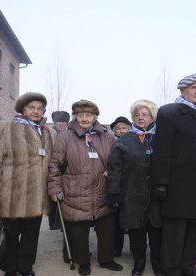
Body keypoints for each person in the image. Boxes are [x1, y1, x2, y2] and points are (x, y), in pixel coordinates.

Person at [0, 92, 54, 276]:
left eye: (39, 108)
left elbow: (51, 162)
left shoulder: (46, 132)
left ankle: (26, 267)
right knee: (10, 236)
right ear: (23, 109)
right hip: (11, 194)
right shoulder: (7, 128)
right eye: (32, 108)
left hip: (37, 196)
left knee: (31, 235)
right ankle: (10, 269)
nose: (36, 111)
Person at [152, 73, 196, 276]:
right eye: (193, 87)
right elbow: (161, 149)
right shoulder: (169, 113)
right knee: (175, 230)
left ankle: (188, 265)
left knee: (195, 228)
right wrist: (161, 182)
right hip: (178, 185)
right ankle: (170, 268)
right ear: (182, 91)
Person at [48, 100, 123, 275]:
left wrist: (110, 173)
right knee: (79, 229)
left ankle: (106, 259)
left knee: (107, 227)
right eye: (80, 115)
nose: (84, 119)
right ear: (75, 117)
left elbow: (117, 162)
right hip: (75, 190)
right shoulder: (65, 136)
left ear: (95, 116)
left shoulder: (108, 136)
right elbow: (54, 165)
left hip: (102, 189)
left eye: (88, 115)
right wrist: (54, 188)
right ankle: (83, 262)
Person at [106, 100, 162, 276]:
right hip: (132, 194)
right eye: (137, 115)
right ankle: (139, 262)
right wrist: (114, 192)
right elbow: (114, 168)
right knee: (136, 231)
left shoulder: (161, 137)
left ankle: (157, 261)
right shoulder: (124, 140)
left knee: (156, 230)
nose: (140, 117)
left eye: (144, 114)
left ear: (152, 117)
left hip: (157, 195)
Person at [109, 116, 133, 257]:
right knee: (117, 221)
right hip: (116, 185)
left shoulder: (135, 141)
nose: (121, 130)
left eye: (124, 128)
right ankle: (117, 248)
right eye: (118, 128)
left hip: (131, 185)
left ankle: (135, 247)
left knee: (133, 220)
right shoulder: (110, 143)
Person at [49, 111, 70, 231]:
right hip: (53, 168)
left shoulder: (69, 134)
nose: (61, 124)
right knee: (53, 198)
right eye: (59, 121)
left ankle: (63, 223)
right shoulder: (50, 134)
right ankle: (53, 223)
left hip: (66, 170)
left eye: (63, 121)